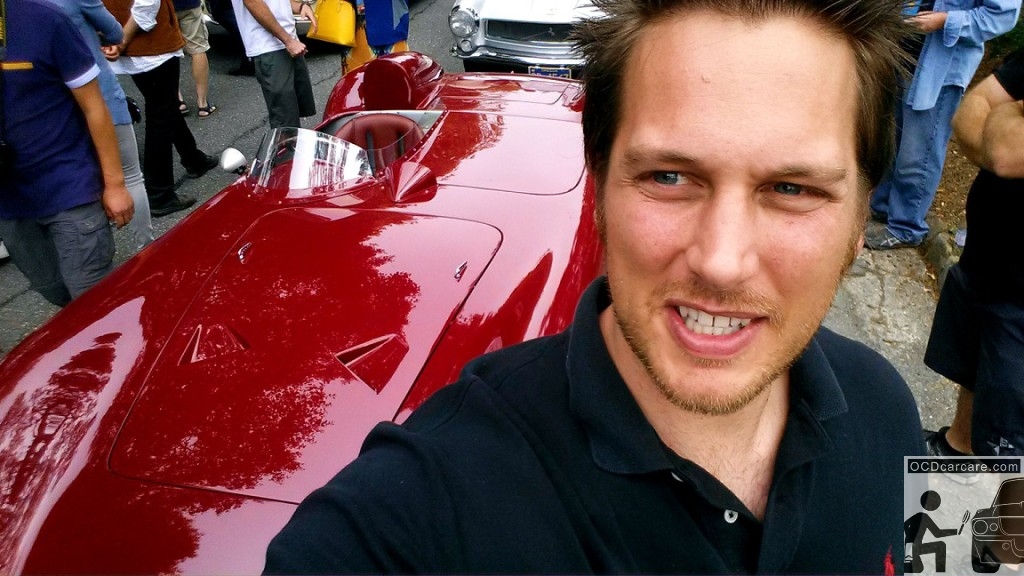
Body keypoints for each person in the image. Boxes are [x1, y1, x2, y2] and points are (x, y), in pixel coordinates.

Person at [264, 0, 925, 572]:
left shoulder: (893, 402)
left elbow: (975, 558)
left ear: (861, 219)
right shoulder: (415, 508)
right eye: (669, 176)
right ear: (599, 191)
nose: (721, 262)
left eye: (791, 189)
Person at [922, 47, 1024, 461]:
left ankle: (985, 520)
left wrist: (1006, 111)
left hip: (1022, 302)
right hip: (988, 259)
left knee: (1007, 450)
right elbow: (971, 109)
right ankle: (955, 449)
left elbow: (1005, 152)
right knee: (972, 372)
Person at [0, 0, 133, 306]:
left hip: (69, 189)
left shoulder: (44, 19)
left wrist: (115, 185)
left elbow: (94, 107)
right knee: (54, 292)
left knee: (91, 305)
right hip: (11, 203)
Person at [865, 0, 1020, 250]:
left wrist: (945, 20)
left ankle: (906, 227)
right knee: (892, 140)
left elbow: (1000, 18)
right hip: (901, 56)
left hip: (940, 70)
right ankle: (882, 210)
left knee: (918, 153)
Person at [45, 0, 155, 250]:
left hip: (58, 110)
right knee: (130, 175)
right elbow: (115, 32)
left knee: (81, 184)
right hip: (100, 97)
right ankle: (146, 248)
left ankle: (95, 255)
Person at [102, 0, 219, 217]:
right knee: (160, 115)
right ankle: (159, 193)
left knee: (164, 107)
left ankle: (193, 158)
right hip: (150, 45)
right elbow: (147, 4)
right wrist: (122, 40)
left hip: (126, 39)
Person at [231, 0, 317, 128]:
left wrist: (300, 7)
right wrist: (288, 41)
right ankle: (285, 147)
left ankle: (292, 146)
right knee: (284, 121)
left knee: (292, 115)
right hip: (268, 47)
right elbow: (252, 2)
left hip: (288, 40)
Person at [173, 0, 216, 118]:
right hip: (189, 4)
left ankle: (178, 101)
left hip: (163, 7)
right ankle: (203, 104)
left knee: (169, 51)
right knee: (198, 49)